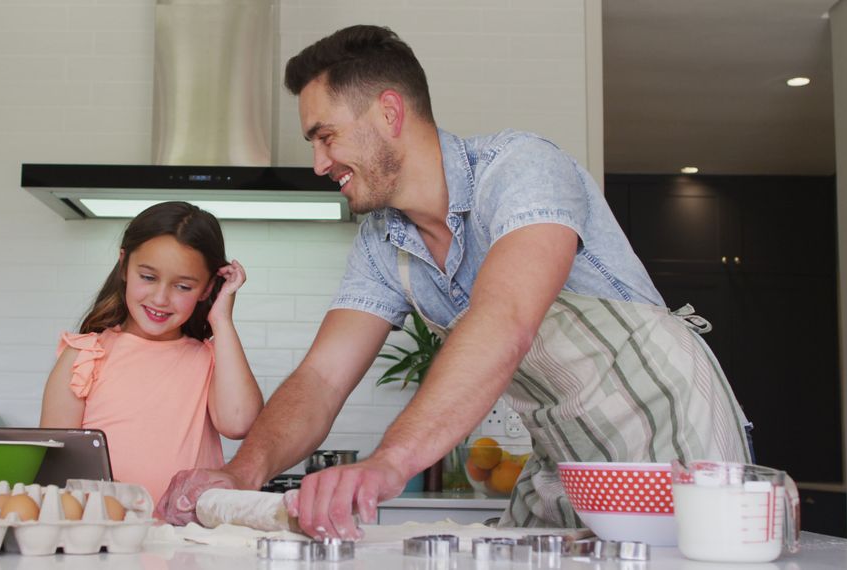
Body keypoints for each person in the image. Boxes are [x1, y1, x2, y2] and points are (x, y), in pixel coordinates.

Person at [156, 25, 751, 538]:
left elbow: (506, 320)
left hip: (666, 438)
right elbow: (321, 377)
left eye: (325, 135)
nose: (318, 163)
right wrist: (241, 473)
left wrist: (389, 462)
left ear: (389, 113)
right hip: (563, 463)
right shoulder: (383, 241)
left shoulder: (520, 168)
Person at [40, 201, 263, 506]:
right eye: (148, 277)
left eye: (183, 286)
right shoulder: (83, 356)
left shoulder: (212, 360)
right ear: (124, 266)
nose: (160, 298)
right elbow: (54, 468)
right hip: (106, 540)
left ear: (208, 288)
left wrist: (222, 319)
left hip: (189, 541)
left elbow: (239, 423)